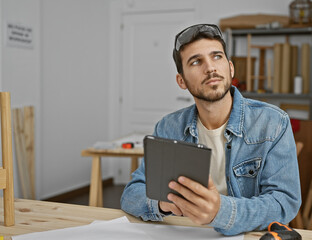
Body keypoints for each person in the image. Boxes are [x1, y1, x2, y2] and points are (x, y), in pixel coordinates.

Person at [120, 24, 301, 236]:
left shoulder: (273, 122)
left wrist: (220, 212)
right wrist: (163, 204)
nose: (210, 68)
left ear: (230, 68)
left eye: (216, 57)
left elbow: (284, 203)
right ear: (182, 81)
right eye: (196, 61)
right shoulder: (169, 127)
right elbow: (131, 195)